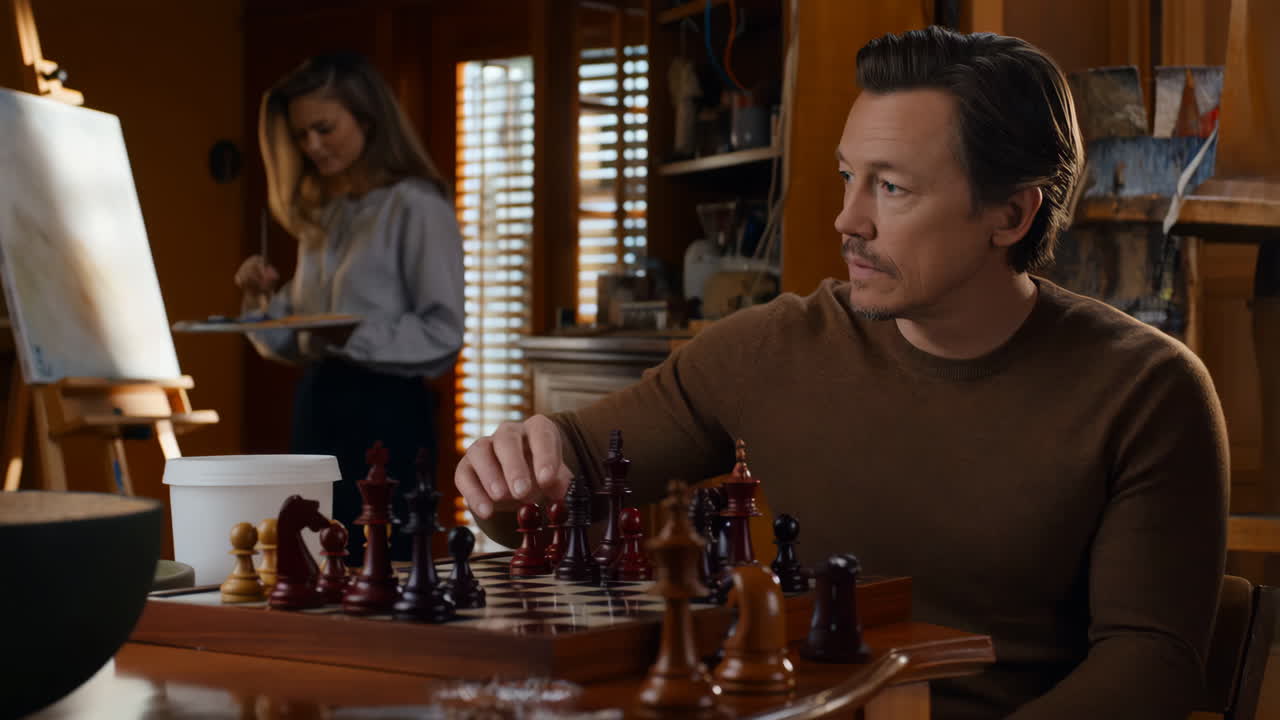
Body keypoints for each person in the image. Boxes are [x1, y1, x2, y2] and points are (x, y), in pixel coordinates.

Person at [454, 26, 1228, 720]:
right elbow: (551, 490)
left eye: (891, 187)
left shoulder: (1147, 389)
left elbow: (1150, 667)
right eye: (846, 177)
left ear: (1011, 215)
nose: (847, 220)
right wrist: (512, 467)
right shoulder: (769, 348)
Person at [236, 52, 464, 564]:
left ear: (366, 118)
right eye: (300, 135)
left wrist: (352, 337)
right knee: (311, 563)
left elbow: (444, 332)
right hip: (318, 407)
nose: (311, 146)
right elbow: (293, 338)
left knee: (382, 572)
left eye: (323, 128)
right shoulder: (327, 212)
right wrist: (258, 302)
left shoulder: (418, 206)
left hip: (386, 415)